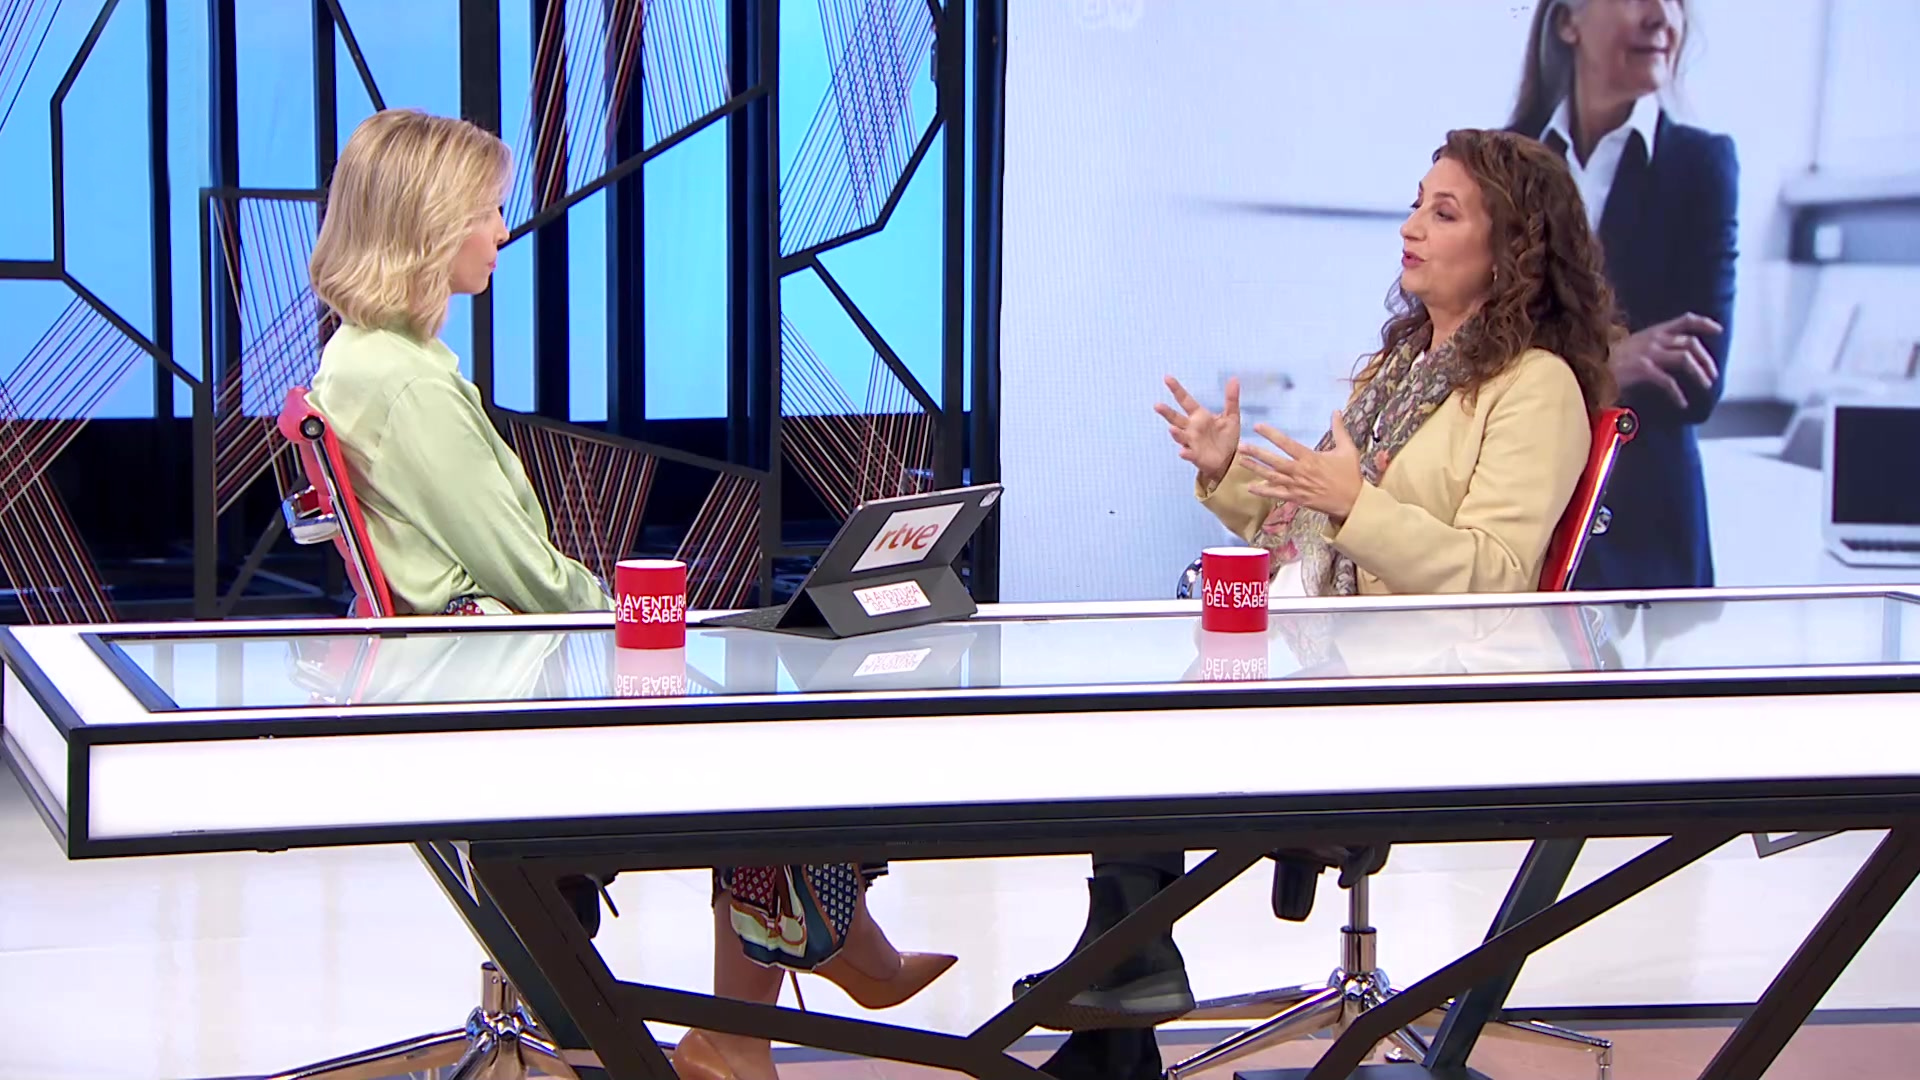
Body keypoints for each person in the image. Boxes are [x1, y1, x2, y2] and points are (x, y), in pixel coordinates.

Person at [306, 108, 952, 1080]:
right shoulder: (405, 386)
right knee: (767, 732)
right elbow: (532, 580)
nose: (502, 232)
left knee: (759, 713)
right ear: (428, 225)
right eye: (486, 212)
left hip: (471, 670)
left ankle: (772, 1009)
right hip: (500, 682)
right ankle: (794, 993)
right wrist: (651, 628)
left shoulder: (371, 359)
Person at [1022, 128, 1622, 1080]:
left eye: (1444, 212)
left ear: (1513, 247)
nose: (1411, 227)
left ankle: (1121, 1008)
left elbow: (1499, 579)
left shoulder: (1534, 386)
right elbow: (1316, 520)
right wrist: (1228, 468)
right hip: (1336, 656)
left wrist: (1355, 506)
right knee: (1128, 713)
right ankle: (1122, 1004)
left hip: (1429, 689)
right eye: (1416, 203)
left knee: (1142, 732)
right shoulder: (1400, 367)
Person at [1510, 0, 1738, 589]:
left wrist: (1541, 366)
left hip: (1650, 542)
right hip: (1517, 519)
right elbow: (1475, 352)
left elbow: (1692, 383)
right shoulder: (1506, 161)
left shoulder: (1700, 165)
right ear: (1569, 21)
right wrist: (1610, 362)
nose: (1662, 15)